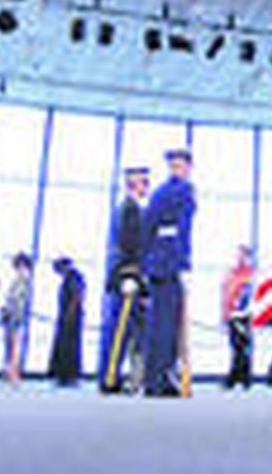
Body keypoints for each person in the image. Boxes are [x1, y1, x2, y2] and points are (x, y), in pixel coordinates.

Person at [141, 147, 196, 397]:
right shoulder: (185, 190)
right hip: (171, 262)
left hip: (155, 262)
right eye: (178, 165)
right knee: (168, 325)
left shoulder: (158, 192)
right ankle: (163, 379)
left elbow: (147, 227)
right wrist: (184, 263)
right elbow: (184, 229)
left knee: (156, 323)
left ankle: (153, 379)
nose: (180, 170)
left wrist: (146, 262)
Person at [99, 166, 149, 394]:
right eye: (142, 182)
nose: (146, 186)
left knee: (128, 332)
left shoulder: (133, 209)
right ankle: (109, 379)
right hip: (125, 278)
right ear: (132, 185)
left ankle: (117, 376)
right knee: (118, 332)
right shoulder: (130, 209)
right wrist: (130, 276)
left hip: (129, 277)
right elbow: (129, 247)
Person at [222, 244, 255, 390]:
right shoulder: (231, 273)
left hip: (246, 315)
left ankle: (240, 379)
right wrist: (225, 313)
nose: (240, 257)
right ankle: (237, 378)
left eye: (243, 254)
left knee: (244, 348)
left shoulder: (252, 274)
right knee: (235, 347)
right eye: (238, 254)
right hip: (233, 315)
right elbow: (226, 294)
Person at [49, 257, 85, 387]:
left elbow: (76, 297)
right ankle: (63, 374)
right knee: (64, 347)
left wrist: (70, 314)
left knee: (69, 347)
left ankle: (69, 374)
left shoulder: (74, 278)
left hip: (71, 318)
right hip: (66, 316)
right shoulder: (70, 278)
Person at [0, 252, 33, 388]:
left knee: (13, 345)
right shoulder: (21, 279)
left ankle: (14, 375)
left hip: (15, 315)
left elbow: (17, 300)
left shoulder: (23, 279)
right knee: (11, 345)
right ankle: (11, 373)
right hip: (13, 314)